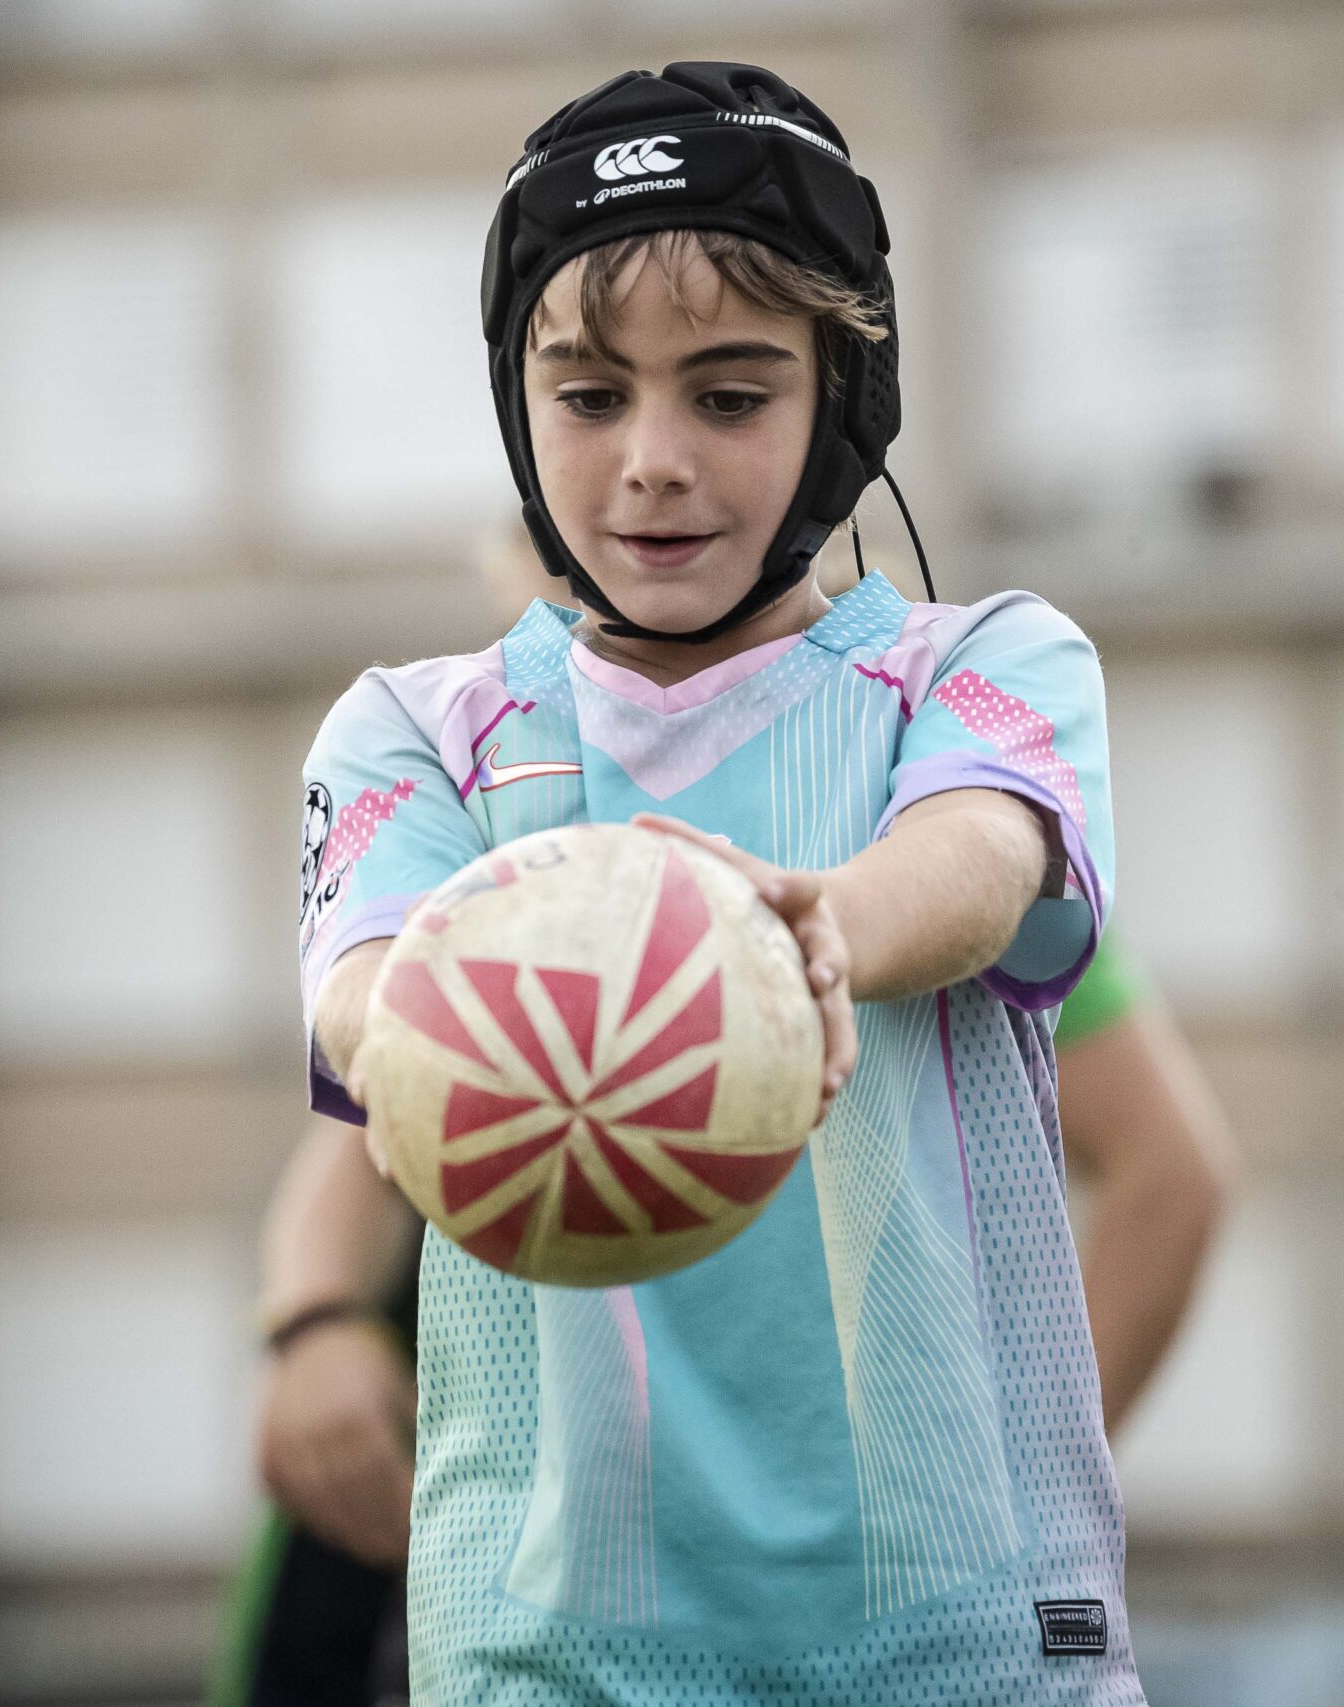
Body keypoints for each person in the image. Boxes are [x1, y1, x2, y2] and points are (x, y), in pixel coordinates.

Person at [287, 61, 1153, 1701]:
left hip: (963, 1649)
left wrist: (807, 934)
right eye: (591, 395)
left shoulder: (984, 662)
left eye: (732, 395)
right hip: (551, 1659)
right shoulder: (417, 730)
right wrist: (441, 1022)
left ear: (848, 405)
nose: (655, 460)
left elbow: (977, 857)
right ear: (516, 405)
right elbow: (364, 1002)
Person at [215, 930, 1234, 1706]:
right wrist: (313, 1327)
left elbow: (1171, 1176)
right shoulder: (509, 808)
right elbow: (354, 1144)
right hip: (443, 1556)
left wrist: (992, 1503)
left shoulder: (925, 817)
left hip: (794, 1591)